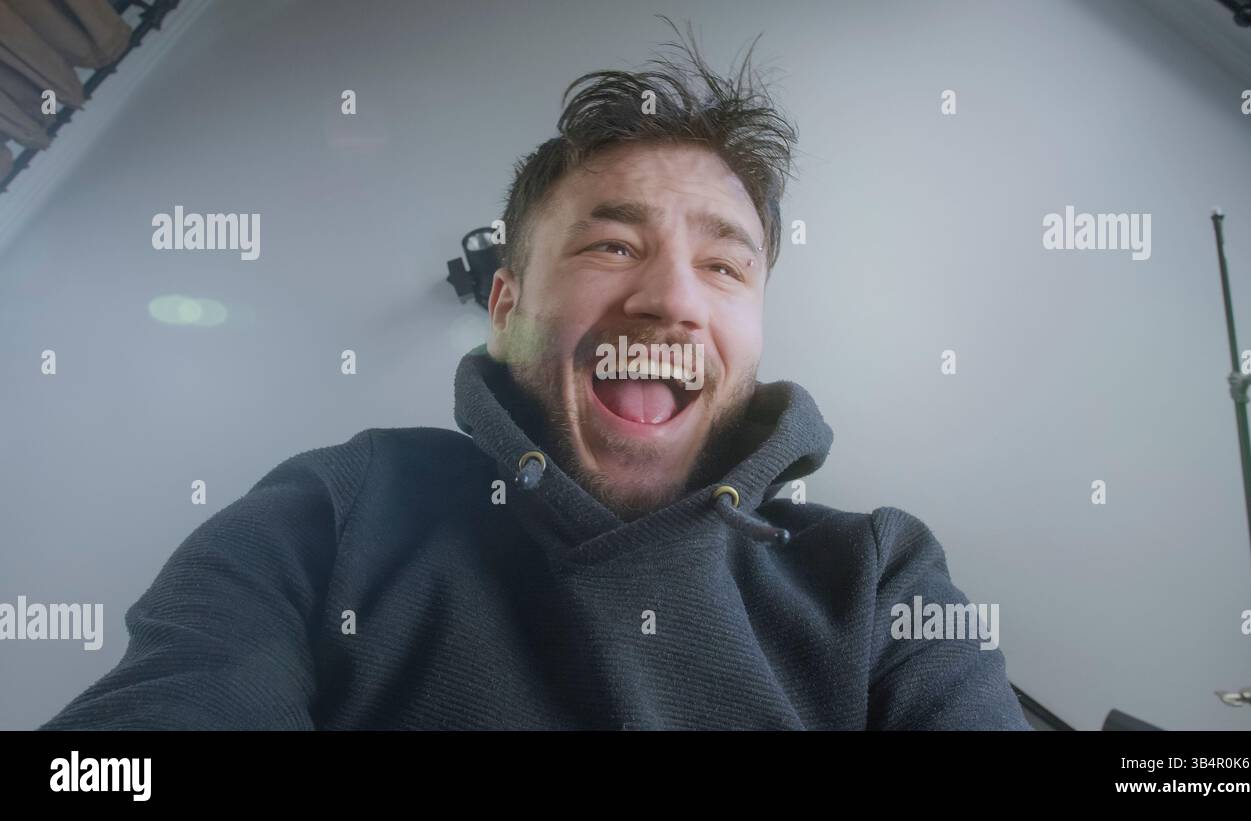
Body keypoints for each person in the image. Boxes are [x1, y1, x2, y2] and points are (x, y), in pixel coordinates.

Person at [42, 24, 1030, 731]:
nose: (672, 298)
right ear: (507, 307)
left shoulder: (880, 574)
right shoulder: (336, 508)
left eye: (725, 266)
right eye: (611, 245)